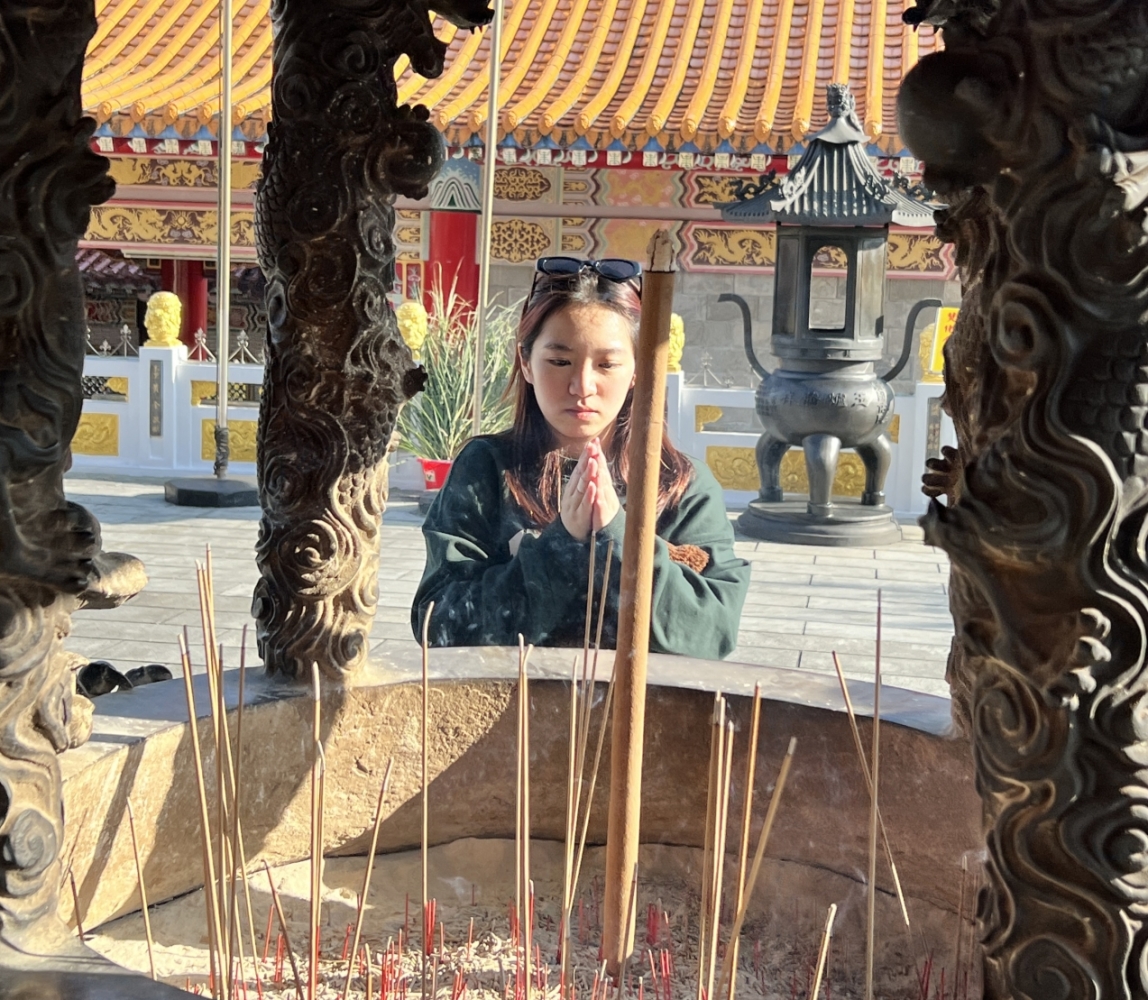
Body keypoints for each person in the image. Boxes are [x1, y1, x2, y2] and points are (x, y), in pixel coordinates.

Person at [410, 256, 750, 658]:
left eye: (607, 364)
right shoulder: (487, 468)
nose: (582, 386)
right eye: (560, 361)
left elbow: (712, 631)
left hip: (640, 700)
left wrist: (616, 534)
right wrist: (559, 546)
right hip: (512, 697)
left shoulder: (680, 485)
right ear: (526, 362)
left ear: (637, 369)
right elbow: (437, 623)